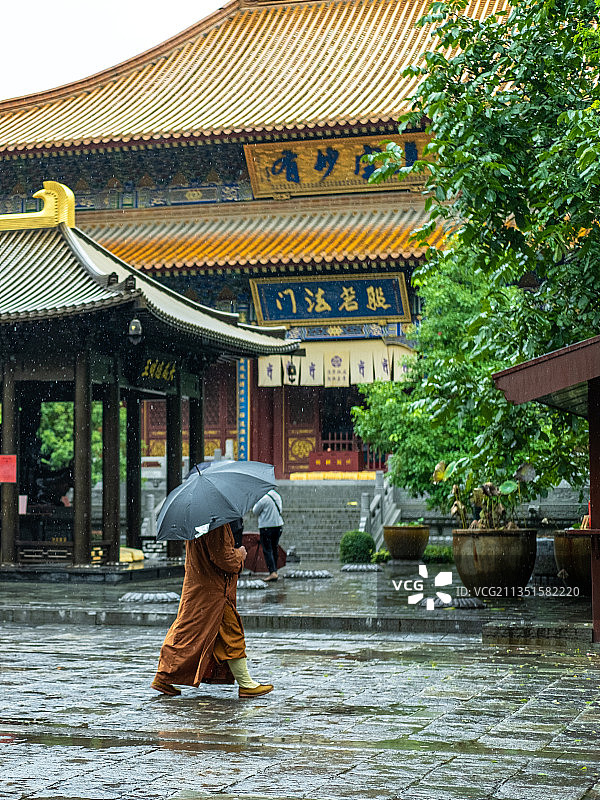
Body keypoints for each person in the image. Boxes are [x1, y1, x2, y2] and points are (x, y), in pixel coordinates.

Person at [151, 522, 273, 698]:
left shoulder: (197, 523)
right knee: (231, 633)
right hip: (215, 592)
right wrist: (240, 554)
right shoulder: (216, 525)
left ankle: (164, 676)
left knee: (186, 632)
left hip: (199, 586)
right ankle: (246, 684)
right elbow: (224, 559)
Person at [252, 489, 283, 582]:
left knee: (267, 550)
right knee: (274, 548)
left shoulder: (263, 498)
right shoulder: (277, 496)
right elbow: (280, 510)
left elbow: (255, 511)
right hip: (278, 525)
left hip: (266, 527)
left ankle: (272, 572)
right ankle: (275, 570)